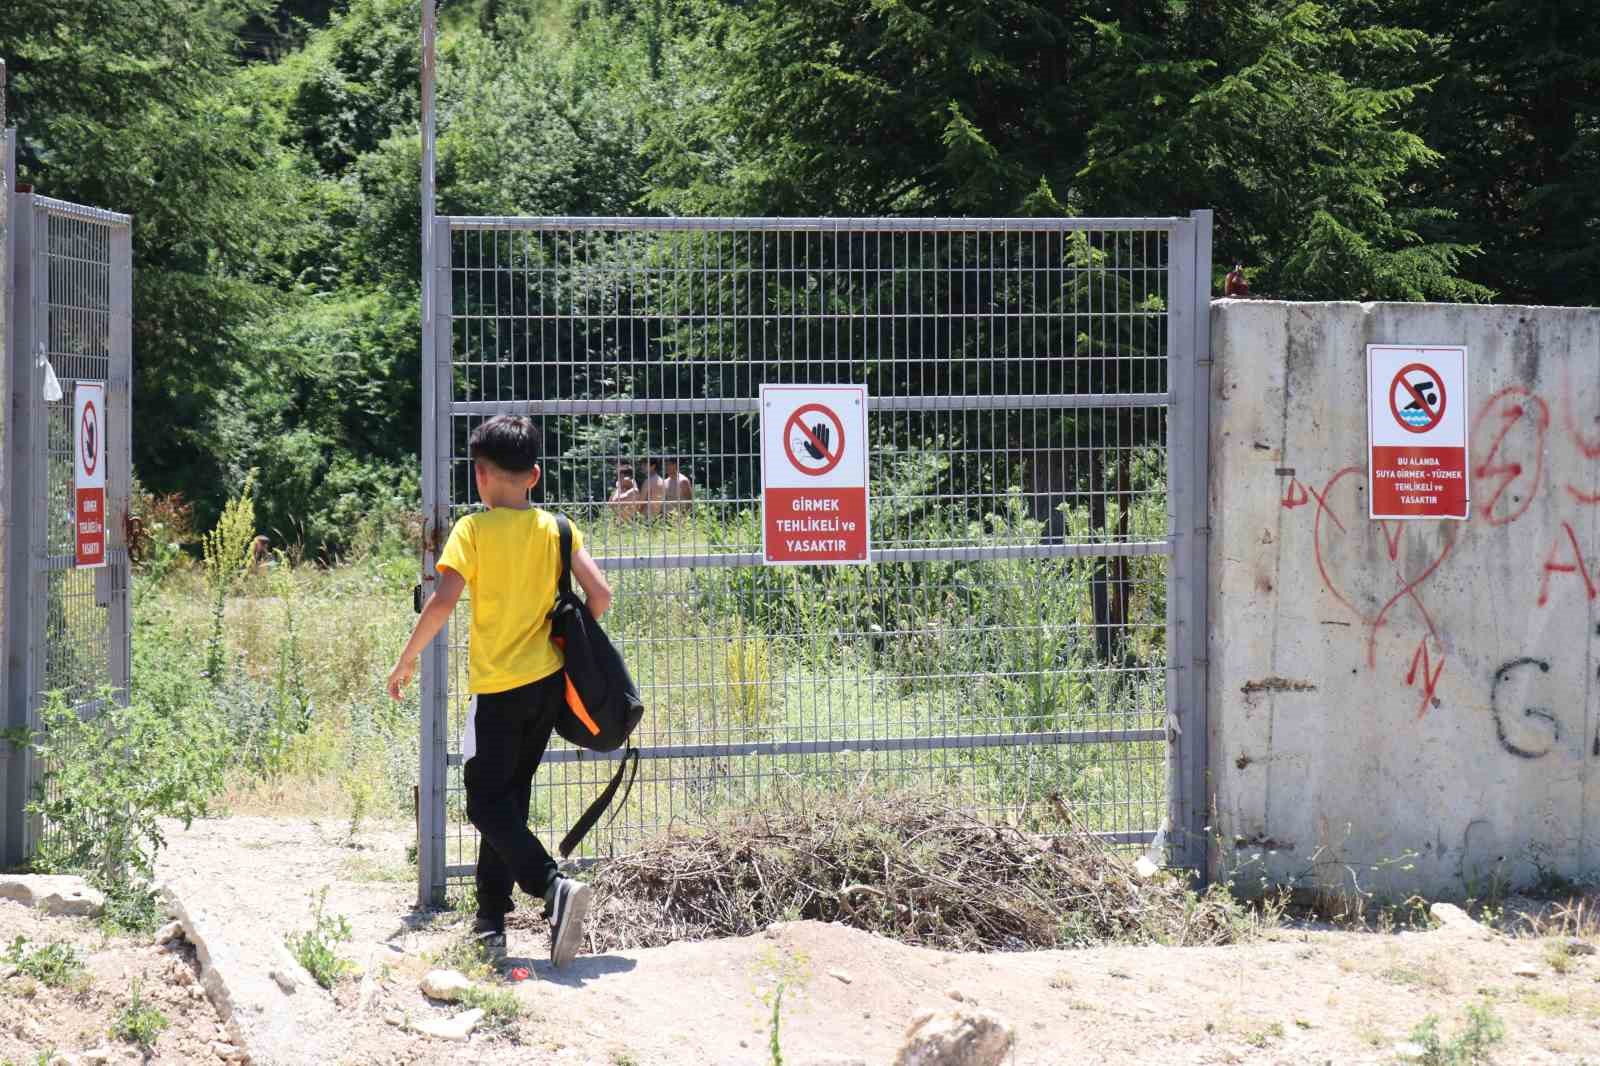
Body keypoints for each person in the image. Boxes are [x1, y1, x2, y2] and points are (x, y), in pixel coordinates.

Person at [386, 415, 613, 968]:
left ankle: (551, 885)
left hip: (496, 691)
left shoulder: (472, 531)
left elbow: (441, 602)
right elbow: (600, 596)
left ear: (480, 474)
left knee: (485, 802)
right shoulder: (558, 529)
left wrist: (407, 658)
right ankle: (491, 922)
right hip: (546, 690)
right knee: (508, 800)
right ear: (533, 475)